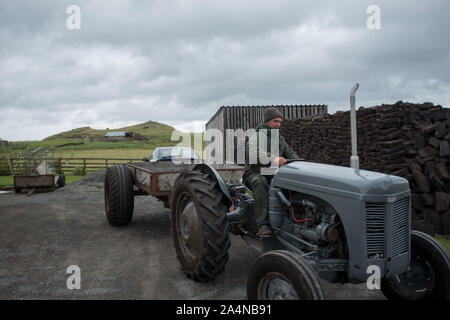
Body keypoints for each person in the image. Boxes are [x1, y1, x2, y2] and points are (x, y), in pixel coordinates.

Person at [243, 107, 298, 237]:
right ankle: (263, 223)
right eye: (275, 121)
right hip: (255, 173)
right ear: (267, 121)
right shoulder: (257, 136)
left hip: (273, 173)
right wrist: (273, 158)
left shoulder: (280, 139)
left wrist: (299, 162)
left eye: (280, 122)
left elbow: (291, 154)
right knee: (260, 182)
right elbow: (254, 154)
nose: (278, 125)